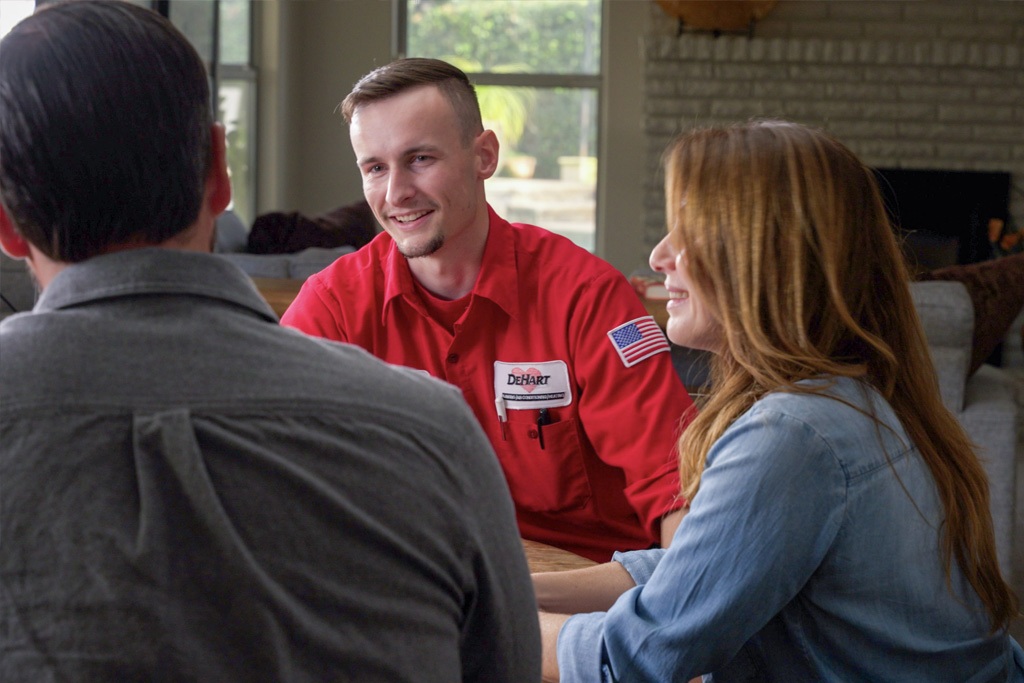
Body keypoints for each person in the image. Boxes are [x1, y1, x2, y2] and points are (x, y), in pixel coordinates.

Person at [0, 3, 540, 681]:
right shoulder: (435, 434)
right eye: (376, 167)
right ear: (220, 174)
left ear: (7, 226)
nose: (397, 190)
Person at [534, 121, 1024, 681]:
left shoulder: (792, 435)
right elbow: (704, 566)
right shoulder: (849, 395)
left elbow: (635, 658)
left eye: (690, 232)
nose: (659, 254)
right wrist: (519, 591)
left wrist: (483, 620)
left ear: (765, 257)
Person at [281, 58, 695, 562]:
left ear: (484, 156)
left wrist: (673, 602)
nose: (396, 194)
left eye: (419, 159)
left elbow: (675, 489)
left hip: (582, 585)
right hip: (417, 578)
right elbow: (272, 467)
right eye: (375, 168)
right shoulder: (333, 306)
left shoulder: (588, 298)